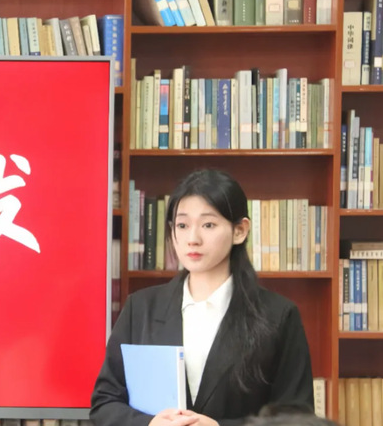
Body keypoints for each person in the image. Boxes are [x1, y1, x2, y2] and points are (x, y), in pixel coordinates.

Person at [90, 169, 314, 426]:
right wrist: (150, 424)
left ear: (240, 231)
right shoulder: (141, 308)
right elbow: (105, 403)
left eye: (208, 225)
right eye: (182, 225)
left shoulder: (278, 316)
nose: (192, 239)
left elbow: (297, 419)